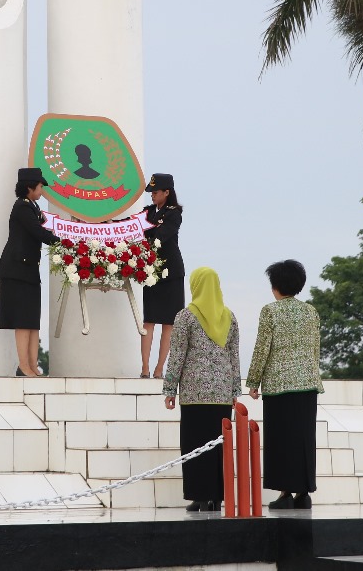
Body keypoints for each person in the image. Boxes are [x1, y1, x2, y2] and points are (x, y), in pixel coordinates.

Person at [245, 259, 324, 509]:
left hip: (279, 387)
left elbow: (262, 348)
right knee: (303, 438)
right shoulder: (311, 311)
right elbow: (315, 348)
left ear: (275, 286)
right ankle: (304, 493)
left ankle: (285, 493)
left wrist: (253, 381)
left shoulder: (270, 311)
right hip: (308, 385)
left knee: (281, 440)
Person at [163, 267, 240, 512]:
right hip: (221, 396)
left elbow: (177, 355)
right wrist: (234, 391)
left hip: (194, 395)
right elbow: (234, 357)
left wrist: (169, 388)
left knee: (195, 444)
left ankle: (200, 496)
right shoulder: (230, 317)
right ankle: (217, 496)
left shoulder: (186, 316)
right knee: (218, 446)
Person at [0, 167, 60, 377]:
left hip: (29, 269)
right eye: (40, 186)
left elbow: (46, 226)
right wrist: (63, 242)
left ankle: (33, 366)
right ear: (29, 187)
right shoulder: (22, 208)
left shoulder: (32, 207)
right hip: (17, 270)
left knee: (32, 320)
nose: (42, 191)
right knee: (23, 320)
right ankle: (24, 366)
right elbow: (39, 232)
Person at [140, 173, 185, 378]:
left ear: (167, 192)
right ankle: (145, 367)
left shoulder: (174, 213)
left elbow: (161, 235)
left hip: (172, 271)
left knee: (169, 322)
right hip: (152, 271)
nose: (152, 196)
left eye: (155, 192)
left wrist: (146, 231)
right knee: (149, 320)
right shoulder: (148, 212)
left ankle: (159, 369)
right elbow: (132, 225)